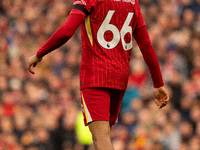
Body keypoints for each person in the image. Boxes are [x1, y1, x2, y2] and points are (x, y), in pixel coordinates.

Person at [27, 0, 169, 149]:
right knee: (103, 136)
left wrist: (40, 53)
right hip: (119, 77)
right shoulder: (132, 2)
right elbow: (145, 45)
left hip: (96, 76)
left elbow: (67, 30)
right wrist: (158, 83)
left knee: (101, 139)